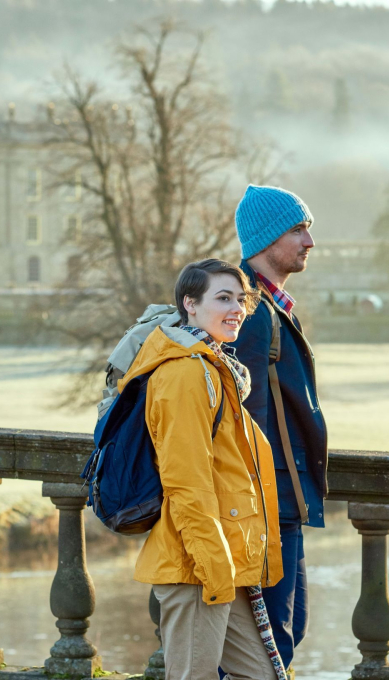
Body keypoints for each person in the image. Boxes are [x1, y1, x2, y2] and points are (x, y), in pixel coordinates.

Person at [118, 258, 284, 680]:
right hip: (196, 564)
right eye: (223, 298)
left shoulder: (215, 367)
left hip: (221, 557)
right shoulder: (185, 374)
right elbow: (186, 484)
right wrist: (216, 571)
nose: (237, 309)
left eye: (241, 299)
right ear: (190, 305)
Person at [231, 185, 328, 673]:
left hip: (287, 501)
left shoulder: (270, 307)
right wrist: (262, 509)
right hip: (267, 507)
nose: (309, 241)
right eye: (297, 229)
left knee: (288, 632)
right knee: (265, 651)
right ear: (265, 239)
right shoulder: (248, 316)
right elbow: (246, 424)